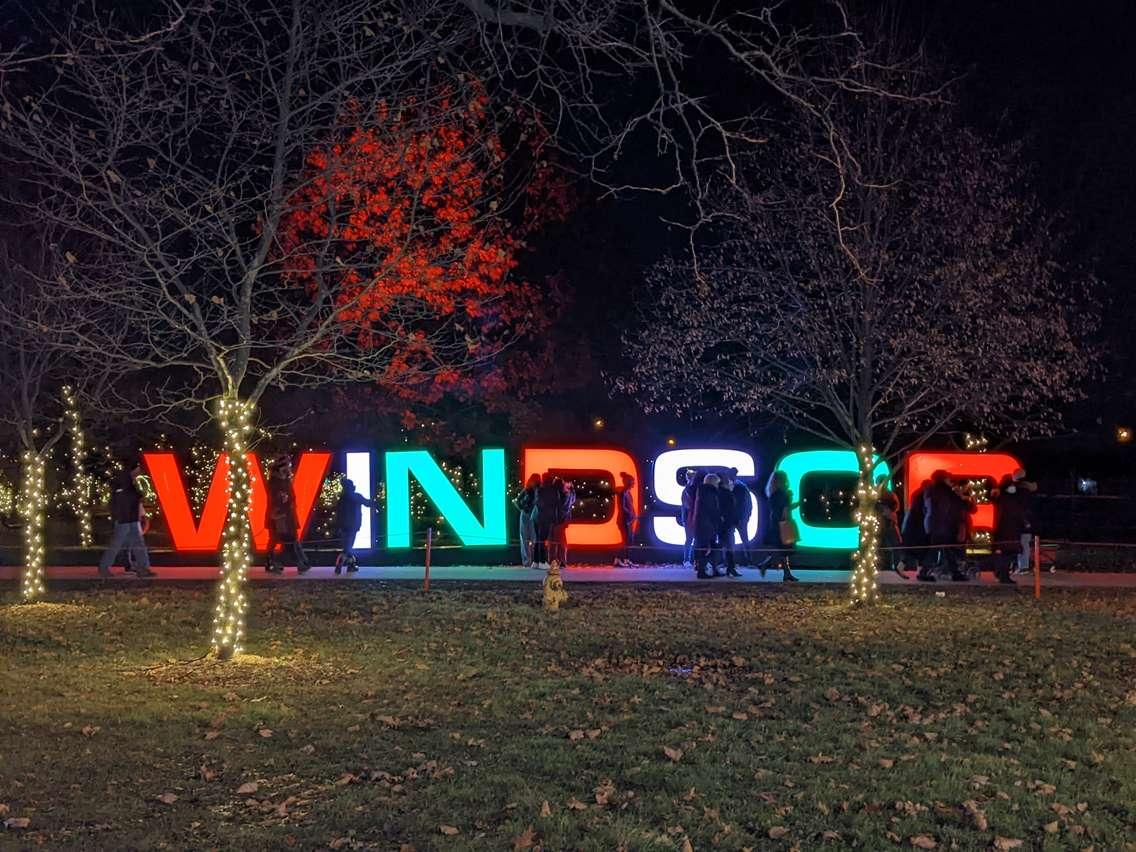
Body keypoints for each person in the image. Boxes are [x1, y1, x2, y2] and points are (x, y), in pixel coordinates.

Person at [97, 458, 155, 578]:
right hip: (125, 519)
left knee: (135, 543)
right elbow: (124, 501)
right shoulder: (124, 485)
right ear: (132, 470)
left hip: (130, 519)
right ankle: (104, 567)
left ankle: (143, 568)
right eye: (137, 470)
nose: (139, 472)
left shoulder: (127, 484)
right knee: (118, 544)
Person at [264, 456, 310, 575]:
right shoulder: (275, 483)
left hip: (287, 515)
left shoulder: (285, 481)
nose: (289, 468)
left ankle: (301, 562)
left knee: (288, 538)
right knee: (283, 539)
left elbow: (290, 498)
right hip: (279, 517)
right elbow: (278, 499)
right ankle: (298, 563)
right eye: (287, 466)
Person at [921, 470, 969, 582]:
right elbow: (953, 507)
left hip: (934, 524)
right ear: (943, 479)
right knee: (943, 549)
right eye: (948, 478)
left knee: (944, 549)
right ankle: (926, 572)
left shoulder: (931, 490)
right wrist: (960, 497)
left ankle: (954, 573)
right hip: (944, 525)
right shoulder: (945, 492)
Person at [761, 470, 799, 582]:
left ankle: (769, 566)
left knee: (782, 549)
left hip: (775, 522)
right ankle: (783, 572)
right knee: (784, 549)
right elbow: (785, 510)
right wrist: (788, 520)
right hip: (783, 523)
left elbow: (778, 508)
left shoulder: (772, 493)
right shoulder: (783, 493)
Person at [334, 478, 375, 575]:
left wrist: (338, 526)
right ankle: (343, 562)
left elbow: (339, 514)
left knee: (347, 546)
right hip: (353, 525)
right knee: (348, 547)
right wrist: (376, 502)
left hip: (344, 526)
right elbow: (367, 503)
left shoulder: (342, 498)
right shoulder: (356, 496)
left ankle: (350, 565)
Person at [692, 472, 723, 578]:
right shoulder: (710, 493)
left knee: (708, 548)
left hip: (702, 524)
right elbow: (712, 509)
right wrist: (719, 518)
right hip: (707, 525)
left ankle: (711, 570)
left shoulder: (702, 491)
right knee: (708, 548)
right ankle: (702, 571)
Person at [876, 477, 906, 578]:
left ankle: (890, 565)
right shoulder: (885, 494)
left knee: (893, 545)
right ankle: (889, 565)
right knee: (890, 545)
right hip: (883, 522)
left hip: (887, 522)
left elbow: (896, 506)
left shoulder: (887, 494)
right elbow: (896, 506)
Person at [902, 479, 931, 579]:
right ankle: (921, 570)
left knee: (912, 551)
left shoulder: (916, 495)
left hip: (913, 528)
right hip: (919, 528)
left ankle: (904, 567)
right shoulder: (923, 496)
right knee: (921, 550)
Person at [531, 472, 560, 570]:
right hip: (545, 518)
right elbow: (556, 503)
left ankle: (535, 561)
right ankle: (542, 562)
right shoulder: (553, 490)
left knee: (538, 539)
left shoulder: (539, 489)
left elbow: (536, 502)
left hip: (536, 516)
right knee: (542, 540)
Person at [728, 468, 754, 569]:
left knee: (739, 540)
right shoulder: (740, 486)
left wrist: (744, 517)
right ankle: (744, 561)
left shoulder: (739, 487)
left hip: (738, 518)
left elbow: (744, 504)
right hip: (737, 518)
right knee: (740, 540)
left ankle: (747, 560)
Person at [513, 474, 540, 568]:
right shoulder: (527, 490)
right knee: (525, 537)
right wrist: (522, 509)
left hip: (533, 515)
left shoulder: (538, 490)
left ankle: (532, 560)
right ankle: (527, 561)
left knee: (533, 538)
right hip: (526, 514)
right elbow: (517, 501)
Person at [718, 474, 741, 577]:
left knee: (727, 545)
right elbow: (730, 509)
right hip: (727, 523)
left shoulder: (721, 493)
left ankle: (729, 567)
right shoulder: (725, 493)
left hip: (726, 523)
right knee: (729, 545)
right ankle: (730, 568)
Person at [614, 472, 638, 567]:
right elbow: (622, 507)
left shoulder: (628, 493)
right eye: (632, 481)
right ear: (628, 482)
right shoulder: (623, 493)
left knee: (629, 540)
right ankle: (617, 559)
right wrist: (630, 514)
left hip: (629, 520)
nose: (634, 483)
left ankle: (626, 559)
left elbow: (630, 506)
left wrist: (633, 515)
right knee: (625, 540)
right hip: (624, 520)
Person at [551, 478, 577, 566]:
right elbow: (573, 501)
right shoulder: (570, 493)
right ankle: (562, 560)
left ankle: (558, 560)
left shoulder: (560, 494)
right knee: (562, 540)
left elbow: (559, 506)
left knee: (557, 541)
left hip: (558, 519)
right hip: (565, 519)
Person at [680, 469, 701, 569]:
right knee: (689, 539)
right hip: (689, 517)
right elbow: (687, 505)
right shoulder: (687, 490)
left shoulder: (692, 489)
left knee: (693, 539)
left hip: (692, 516)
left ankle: (693, 560)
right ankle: (687, 560)